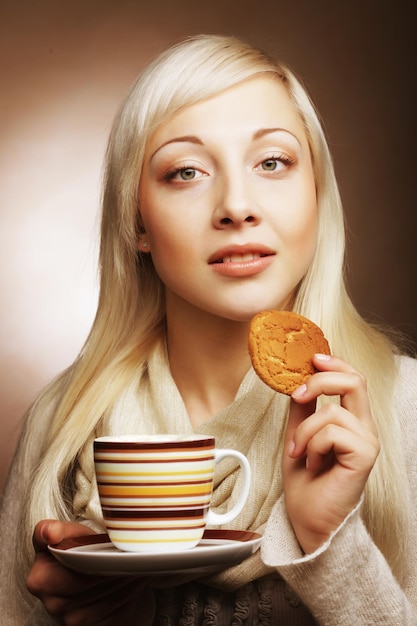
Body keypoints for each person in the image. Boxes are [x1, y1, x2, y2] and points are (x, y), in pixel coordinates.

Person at [0, 33, 416, 626]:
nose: (236, 206)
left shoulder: (405, 408)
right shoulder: (63, 428)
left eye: (272, 162)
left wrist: (329, 543)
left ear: (317, 196)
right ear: (136, 220)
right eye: (187, 171)